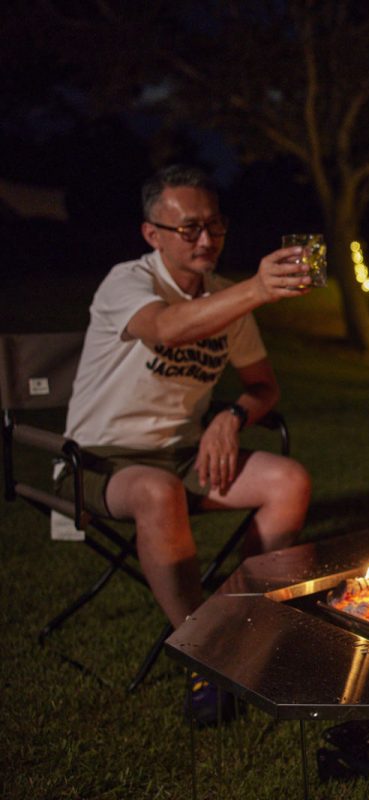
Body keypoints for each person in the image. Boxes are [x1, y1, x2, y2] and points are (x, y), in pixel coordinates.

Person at [60, 164, 313, 723]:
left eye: (216, 226)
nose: (206, 240)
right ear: (152, 233)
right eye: (189, 228)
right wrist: (257, 289)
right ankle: (206, 653)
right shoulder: (127, 282)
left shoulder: (226, 299)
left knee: (288, 480)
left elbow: (263, 386)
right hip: (102, 459)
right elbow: (167, 328)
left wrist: (230, 415)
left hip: (184, 453)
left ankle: (246, 625)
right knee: (156, 492)